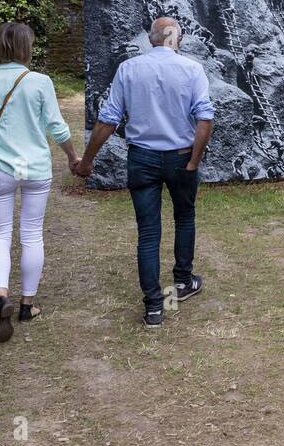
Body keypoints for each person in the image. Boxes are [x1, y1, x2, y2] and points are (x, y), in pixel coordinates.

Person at [75, 17, 214, 328]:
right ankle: (182, 281)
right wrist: (193, 161)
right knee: (184, 217)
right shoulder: (192, 70)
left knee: (148, 232)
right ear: (177, 40)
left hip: (142, 159)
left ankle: (154, 305)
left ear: (151, 39)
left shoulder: (129, 69)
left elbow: (108, 119)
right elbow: (204, 119)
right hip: (180, 157)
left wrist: (87, 160)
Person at [0, 21, 78, 343]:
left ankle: (1, 296)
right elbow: (57, 126)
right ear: (27, 47)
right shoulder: (39, 82)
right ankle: (27, 305)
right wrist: (72, 156)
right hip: (35, 167)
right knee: (32, 232)